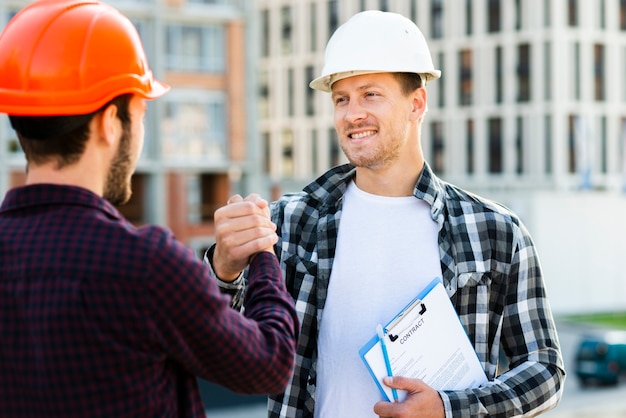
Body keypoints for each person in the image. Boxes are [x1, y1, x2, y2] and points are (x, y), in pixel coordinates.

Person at [208, 10, 565, 418]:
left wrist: (450, 410)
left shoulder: (495, 232)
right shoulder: (289, 224)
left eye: (370, 94)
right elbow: (220, 349)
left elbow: (545, 371)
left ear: (417, 104)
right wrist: (224, 270)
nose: (352, 113)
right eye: (341, 98)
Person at [0, 1, 298, 417]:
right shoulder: (144, 265)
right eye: (140, 114)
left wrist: (224, 272)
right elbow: (270, 363)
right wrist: (263, 251)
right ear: (109, 122)